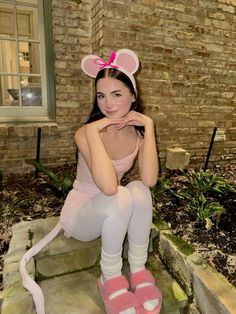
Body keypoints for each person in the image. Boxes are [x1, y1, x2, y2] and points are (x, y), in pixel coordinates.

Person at [20, 49, 162, 314]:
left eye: (117, 94)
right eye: (101, 95)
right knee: (119, 194)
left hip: (112, 208)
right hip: (82, 214)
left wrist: (149, 127)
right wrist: (94, 129)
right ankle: (110, 278)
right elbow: (108, 187)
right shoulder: (86, 133)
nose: (108, 104)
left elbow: (150, 179)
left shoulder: (138, 134)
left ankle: (139, 271)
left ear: (133, 96)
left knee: (139, 189)